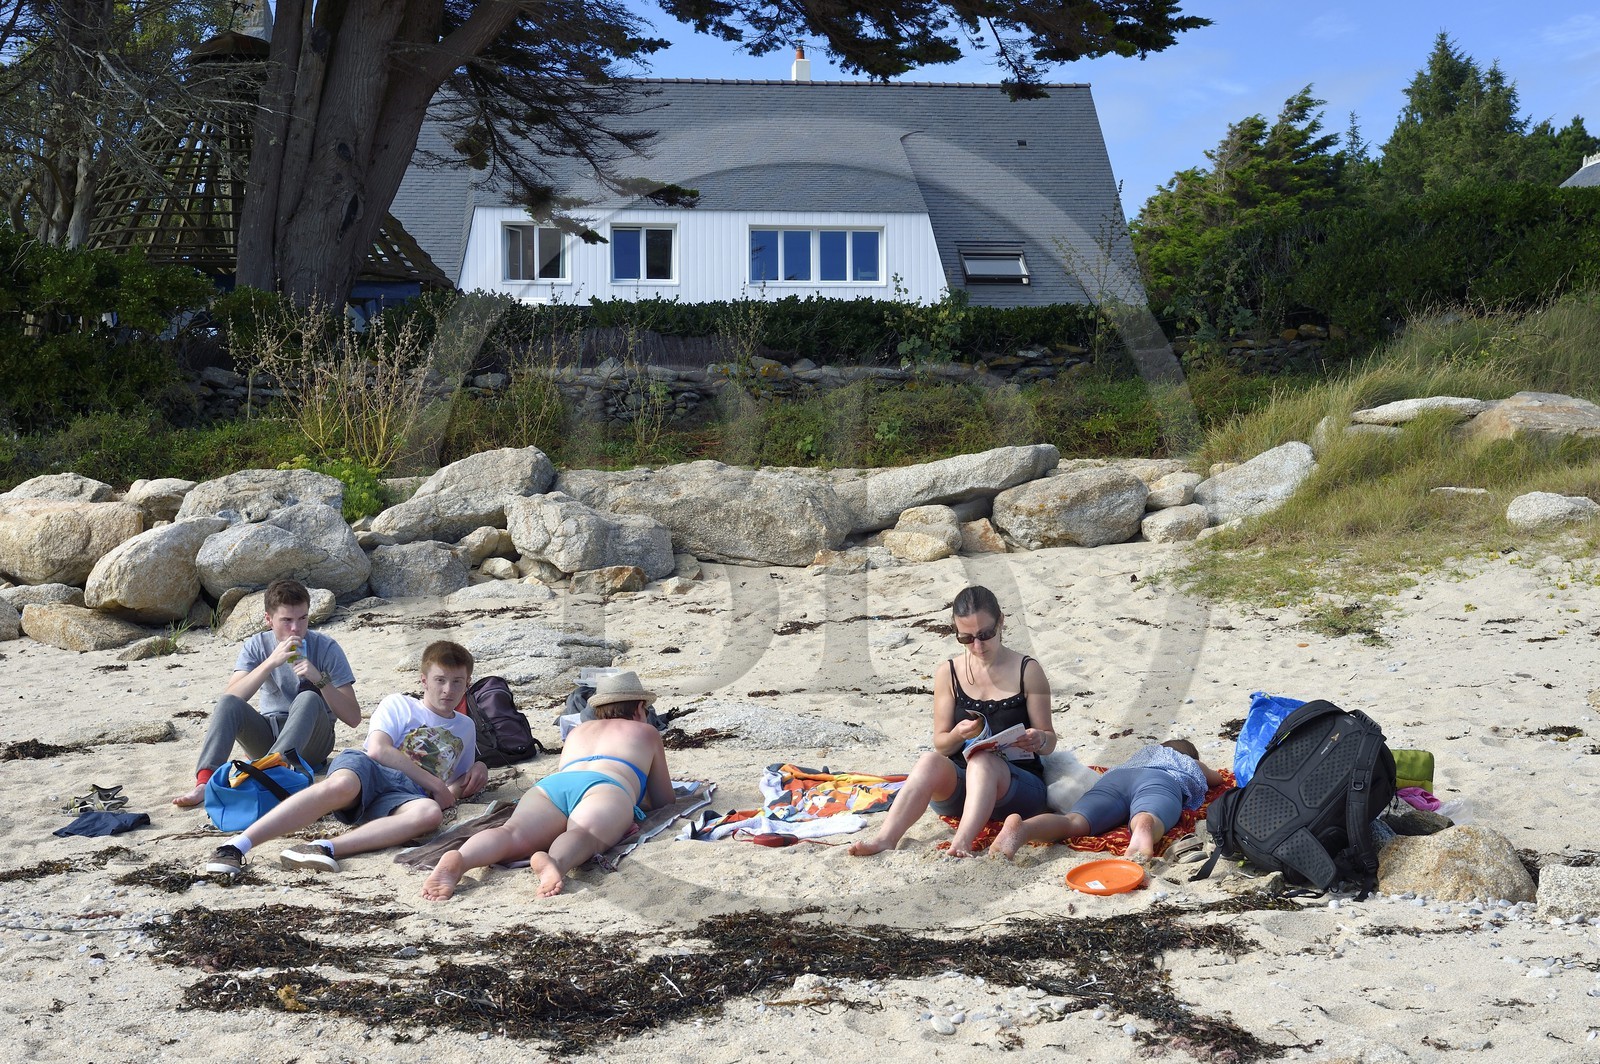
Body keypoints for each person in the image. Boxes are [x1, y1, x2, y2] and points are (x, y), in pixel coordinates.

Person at [201, 640, 489, 875]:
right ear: (424, 680)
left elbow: (453, 785)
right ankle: (236, 846)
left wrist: (478, 769)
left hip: (407, 795)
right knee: (341, 787)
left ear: (468, 684)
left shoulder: (465, 727)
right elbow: (378, 749)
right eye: (440, 680)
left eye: (457, 682)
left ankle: (324, 847)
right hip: (371, 768)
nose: (448, 690)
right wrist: (437, 786)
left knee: (429, 814)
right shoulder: (400, 704)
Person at [421, 670, 672, 900]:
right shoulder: (647, 733)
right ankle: (555, 862)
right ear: (640, 707)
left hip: (552, 786)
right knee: (582, 834)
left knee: (510, 833)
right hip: (606, 786)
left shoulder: (578, 731)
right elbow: (663, 799)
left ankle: (461, 859)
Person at [849, 585, 1055, 858]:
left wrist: (1038, 738)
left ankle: (961, 843)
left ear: (1001, 621)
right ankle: (885, 839)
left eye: (986, 635)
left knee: (983, 762)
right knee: (929, 761)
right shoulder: (948, 673)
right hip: (962, 789)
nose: (977, 646)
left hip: (1018, 789)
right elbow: (942, 744)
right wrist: (958, 734)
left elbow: (1049, 741)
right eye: (966, 639)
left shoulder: (1027, 670)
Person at [172, 578, 361, 807]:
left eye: (302, 619)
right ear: (269, 620)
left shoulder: (326, 648)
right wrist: (270, 663)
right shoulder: (257, 645)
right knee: (227, 704)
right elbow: (232, 697)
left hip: (314, 741)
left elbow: (353, 718)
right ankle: (205, 783)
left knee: (309, 697)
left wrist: (319, 680)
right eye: (286, 620)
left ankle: (269, 774)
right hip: (268, 734)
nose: (296, 628)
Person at [991, 739, 1224, 862]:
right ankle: (1144, 824)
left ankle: (1025, 829)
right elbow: (1217, 779)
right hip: (1160, 780)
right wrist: (1199, 767)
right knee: (1151, 810)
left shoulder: (1144, 753)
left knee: (1074, 821)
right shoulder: (1188, 762)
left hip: (1115, 779)